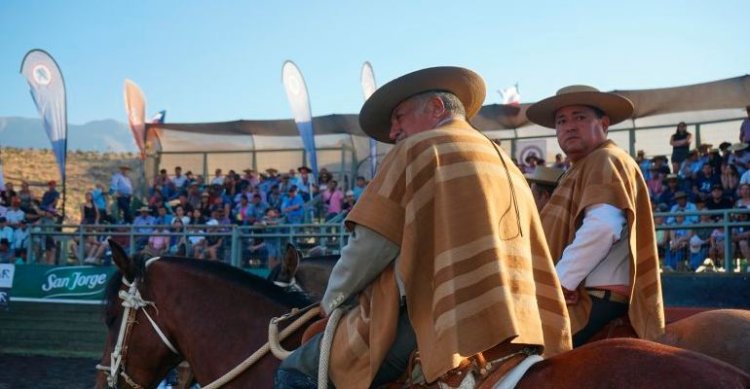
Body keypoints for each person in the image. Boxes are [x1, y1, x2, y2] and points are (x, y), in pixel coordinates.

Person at [275, 66, 571, 388]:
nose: (393, 132)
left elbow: (370, 245)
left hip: (450, 317)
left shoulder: (418, 148)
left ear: (436, 108)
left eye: (399, 117)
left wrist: (329, 301)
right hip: (525, 316)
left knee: (296, 371)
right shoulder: (504, 160)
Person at [526, 84, 665, 347]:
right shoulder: (585, 165)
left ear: (604, 123)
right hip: (587, 292)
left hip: (595, 298)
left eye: (579, 117)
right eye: (561, 121)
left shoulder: (605, 158)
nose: (569, 126)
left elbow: (603, 227)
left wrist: (559, 283)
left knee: (518, 357)